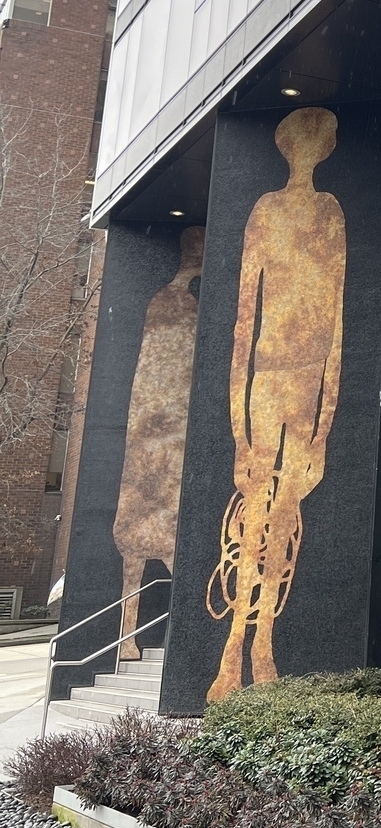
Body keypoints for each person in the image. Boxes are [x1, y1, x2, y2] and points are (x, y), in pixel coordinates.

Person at [206, 107, 345, 700]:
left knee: (283, 516)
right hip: (268, 378)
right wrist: (238, 431)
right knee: (259, 514)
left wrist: (322, 432)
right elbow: (244, 319)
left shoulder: (331, 213)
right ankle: (234, 650)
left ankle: (260, 646)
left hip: (305, 385)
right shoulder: (264, 210)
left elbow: (336, 326)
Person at [113, 225, 204, 658]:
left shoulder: (167, 302)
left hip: (153, 441)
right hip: (162, 441)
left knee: (140, 552)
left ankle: (133, 637)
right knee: (157, 544)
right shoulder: (179, 305)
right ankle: (165, 636)